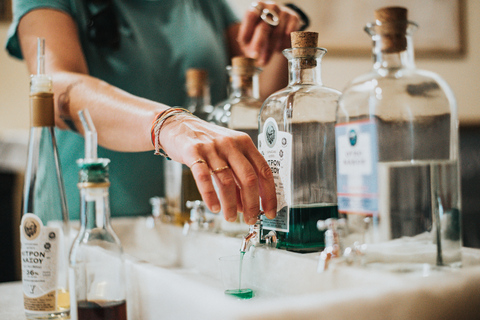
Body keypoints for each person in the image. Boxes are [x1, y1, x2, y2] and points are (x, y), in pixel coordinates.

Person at [6, 0, 307, 225]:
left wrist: (282, 39)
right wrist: (169, 125)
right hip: (88, 224)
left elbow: (257, 102)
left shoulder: (204, 4)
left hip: (195, 225)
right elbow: (55, 86)